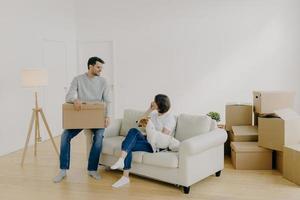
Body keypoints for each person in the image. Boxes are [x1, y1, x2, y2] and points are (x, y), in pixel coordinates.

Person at [53, 56, 112, 183]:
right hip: (81, 117)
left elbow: (108, 101)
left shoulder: (103, 81)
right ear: (90, 66)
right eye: (98, 67)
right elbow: (68, 96)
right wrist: (74, 100)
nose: (100, 70)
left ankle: (92, 169)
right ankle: (63, 170)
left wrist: (108, 116)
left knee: (98, 139)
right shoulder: (78, 79)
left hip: (97, 117)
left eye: (101, 68)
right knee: (65, 136)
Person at [110, 94, 176, 188]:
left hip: (155, 145)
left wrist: (151, 131)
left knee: (127, 144)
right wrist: (149, 109)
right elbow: (140, 124)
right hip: (146, 138)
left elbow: (163, 137)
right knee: (133, 131)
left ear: (160, 104)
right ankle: (121, 161)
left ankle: (125, 176)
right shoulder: (154, 114)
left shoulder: (170, 118)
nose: (152, 102)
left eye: (155, 101)